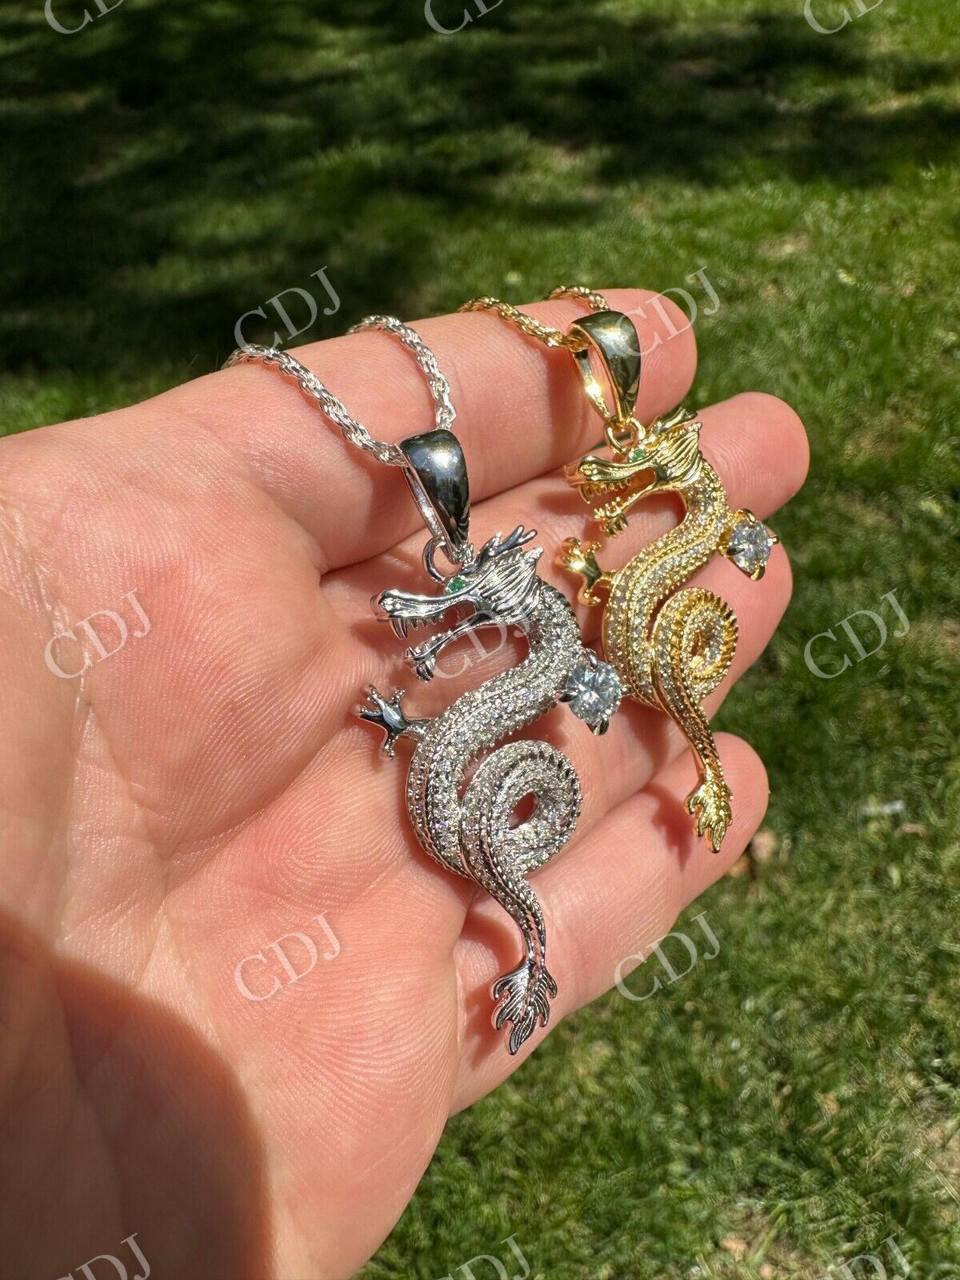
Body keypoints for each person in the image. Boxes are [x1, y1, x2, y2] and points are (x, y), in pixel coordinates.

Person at [0, 289, 807, 1279]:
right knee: (479, 775)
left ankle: (529, 957)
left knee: (501, 812)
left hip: (500, 792)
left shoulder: (544, 644)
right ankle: (528, 952)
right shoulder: (502, 632)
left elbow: (490, 648)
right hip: (479, 786)